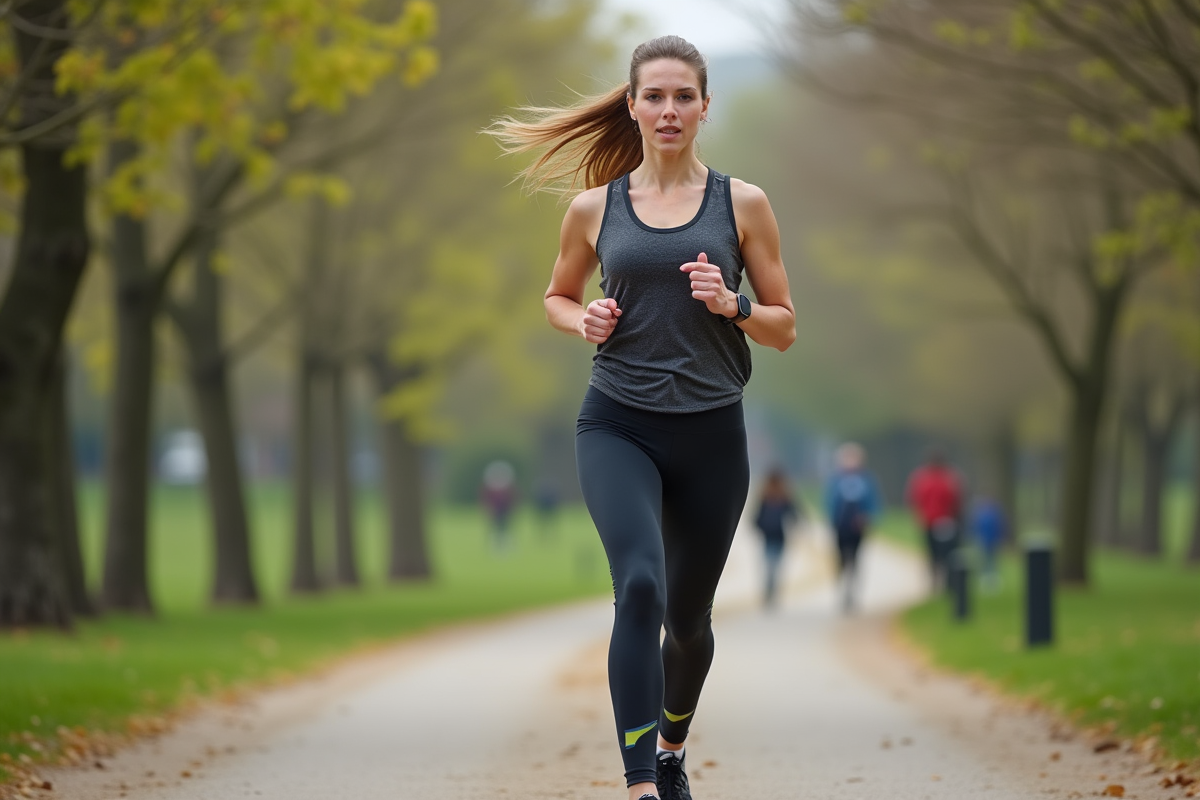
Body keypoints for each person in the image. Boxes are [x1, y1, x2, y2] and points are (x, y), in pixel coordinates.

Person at [487, 35, 796, 800]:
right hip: (617, 423)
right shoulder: (595, 208)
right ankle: (638, 785)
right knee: (641, 586)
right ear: (631, 105)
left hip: (712, 431)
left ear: (704, 106)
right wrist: (580, 320)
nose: (667, 110)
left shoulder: (743, 204)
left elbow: (785, 325)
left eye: (682, 96)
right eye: (653, 96)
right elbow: (557, 296)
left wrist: (735, 305)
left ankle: (670, 748)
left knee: (688, 622)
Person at [823, 443, 881, 613]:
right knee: (841, 559)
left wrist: (870, 517)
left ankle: (851, 591)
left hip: (858, 527)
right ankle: (842, 587)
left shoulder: (867, 479)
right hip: (840, 526)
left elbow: (873, 502)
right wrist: (830, 519)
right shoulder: (836, 479)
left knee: (855, 559)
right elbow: (829, 501)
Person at [906, 448, 964, 593]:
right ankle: (947, 584)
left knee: (934, 555)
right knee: (948, 555)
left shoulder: (921, 478)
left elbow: (914, 500)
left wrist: (918, 517)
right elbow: (957, 500)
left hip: (930, 522)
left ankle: (936, 583)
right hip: (946, 521)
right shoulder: (951, 477)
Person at [754, 467, 801, 609]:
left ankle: (771, 591)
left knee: (772, 566)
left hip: (777, 536)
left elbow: (794, 513)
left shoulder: (780, 496)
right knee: (772, 566)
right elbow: (757, 517)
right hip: (771, 536)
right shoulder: (767, 496)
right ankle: (770, 591)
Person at [970, 493, 1007, 591]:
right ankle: (988, 580)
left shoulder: (983, 515)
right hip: (988, 541)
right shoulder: (991, 514)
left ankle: (990, 580)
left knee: (989, 561)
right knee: (988, 561)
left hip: (988, 541)